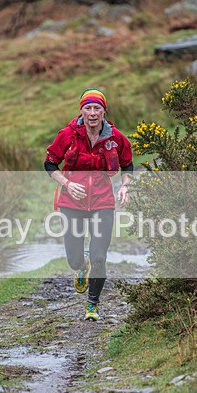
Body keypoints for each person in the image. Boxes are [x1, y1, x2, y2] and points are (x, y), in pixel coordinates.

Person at [44, 88, 134, 321]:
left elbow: (128, 165)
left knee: (99, 257)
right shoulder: (68, 134)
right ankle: (81, 267)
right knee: (75, 260)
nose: (93, 113)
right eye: (88, 108)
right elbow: (50, 164)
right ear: (81, 110)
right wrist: (66, 184)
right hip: (71, 202)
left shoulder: (116, 138)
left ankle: (92, 306)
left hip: (103, 202)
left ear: (104, 111)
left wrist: (125, 186)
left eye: (97, 108)